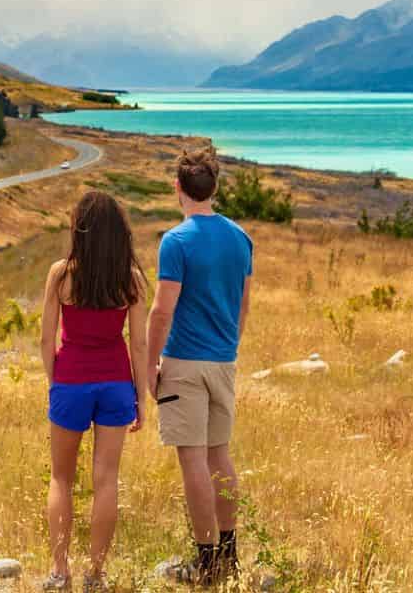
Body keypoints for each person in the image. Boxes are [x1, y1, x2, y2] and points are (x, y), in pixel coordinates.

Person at [147, 144, 254, 586]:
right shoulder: (241, 238)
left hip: (185, 363)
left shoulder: (177, 241)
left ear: (178, 188)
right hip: (223, 361)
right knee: (219, 456)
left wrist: (150, 363)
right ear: (215, 186)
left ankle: (206, 563)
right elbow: (244, 305)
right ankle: (228, 557)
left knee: (192, 459)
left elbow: (161, 311)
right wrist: (230, 346)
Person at [40, 189, 150, 592]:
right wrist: (142, 398)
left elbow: (45, 340)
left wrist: (56, 385)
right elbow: (139, 345)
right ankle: (96, 575)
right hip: (117, 383)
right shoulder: (131, 279)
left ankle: (59, 572)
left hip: (71, 381)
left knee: (61, 479)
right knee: (106, 480)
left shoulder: (61, 274)